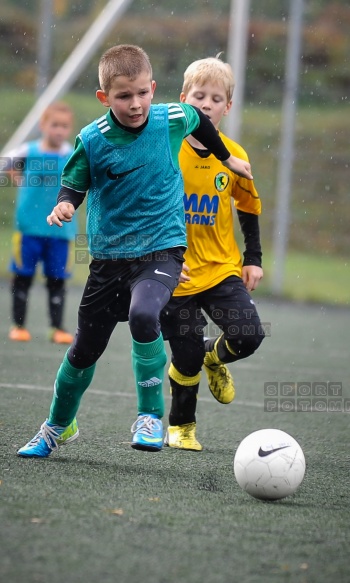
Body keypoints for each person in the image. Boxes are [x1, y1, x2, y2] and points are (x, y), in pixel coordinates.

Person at [17, 44, 253, 458]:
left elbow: (200, 121)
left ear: (154, 88)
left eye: (143, 93)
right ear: (104, 98)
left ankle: (149, 416)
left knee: (145, 314)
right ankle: (57, 426)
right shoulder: (92, 138)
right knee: (82, 352)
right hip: (109, 260)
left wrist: (226, 158)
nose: (136, 103)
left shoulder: (171, 118)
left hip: (162, 250)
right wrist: (66, 202)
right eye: (124, 96)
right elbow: (75, 181)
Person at [160, 56, 265, 451]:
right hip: (175, 272)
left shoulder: (234, 156)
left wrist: (252, 257)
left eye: (215, 98)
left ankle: (214, 356)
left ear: (227, 106)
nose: (206, 104)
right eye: (198, 96)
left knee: (250, 336)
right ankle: (181, 426)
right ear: (183, 98)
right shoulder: (166, 151)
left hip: (221, 269)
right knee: (184, 356)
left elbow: (249, 208)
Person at [7, 102, 76, 344]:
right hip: (28, 229)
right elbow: (6, 164)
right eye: (54, 125)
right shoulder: (29, 151)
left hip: (60, 231)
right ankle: (18, 326)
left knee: (57, 281)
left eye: (64, 126)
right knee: (22, 278)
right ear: (43, 125)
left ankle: (57, 328)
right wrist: (20, 183)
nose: (59, 130)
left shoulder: (73, 154)